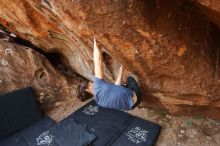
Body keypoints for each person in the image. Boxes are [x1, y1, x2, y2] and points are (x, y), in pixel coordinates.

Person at [76, 39, 141, 110]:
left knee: (122, 85)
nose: (91, 82)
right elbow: (98, 60)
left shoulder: (99, 102)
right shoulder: (97, 86)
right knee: (130, 79)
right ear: (87, 90)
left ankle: (127, 89)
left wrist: (121, 71)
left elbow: (116, 89)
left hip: (130, 107)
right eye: (88, 83)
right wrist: (94, 42)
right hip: (137, 97)